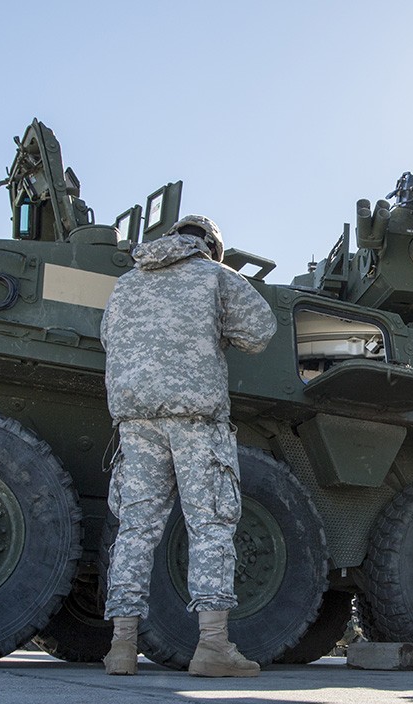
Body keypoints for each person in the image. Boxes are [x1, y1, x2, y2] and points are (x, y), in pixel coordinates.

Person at [99, 214, 277, 677]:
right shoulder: (217, 275)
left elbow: (109, 340)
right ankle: (213, 646)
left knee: (135, 529)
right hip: (195, 417)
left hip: (136, 418)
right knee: (211, 524)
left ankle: (121, 647)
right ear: (211, 246)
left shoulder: (126, 285)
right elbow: (260, 332)